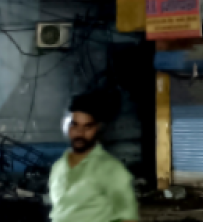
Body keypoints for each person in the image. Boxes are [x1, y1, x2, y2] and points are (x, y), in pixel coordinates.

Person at [49, 92, 139, 222]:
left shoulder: (112, 170)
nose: (80, 133)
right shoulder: (57, 168)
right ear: (66, 127)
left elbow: (128, 218)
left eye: (88, 127)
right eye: (74, 125)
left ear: (98, 128)